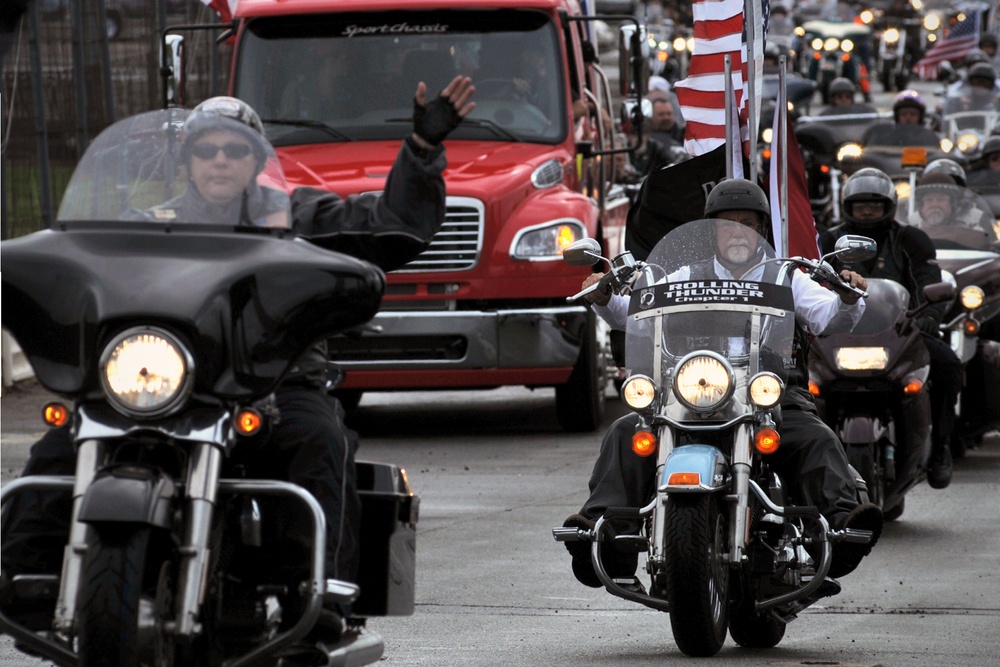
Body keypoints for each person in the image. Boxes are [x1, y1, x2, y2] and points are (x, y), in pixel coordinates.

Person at [1, 78, 477, 629]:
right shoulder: (147, 226)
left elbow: (390, 228)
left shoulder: (297, 219)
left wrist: (421, 149)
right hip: (166, 384)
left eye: (234, 149)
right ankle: (27, 570)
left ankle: (320, 589)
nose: (219, 160)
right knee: (66, 438)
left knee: (320, 437)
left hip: (274, 383)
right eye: (206, 149)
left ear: (256, 159)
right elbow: (95, 275)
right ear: (187, 160)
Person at [563, 179, 882, 589]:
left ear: (761, 231)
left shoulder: (785, 275)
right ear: (711, 231)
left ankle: (841, 528)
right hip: (691, 392)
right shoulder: (682, 275)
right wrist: (604, 296)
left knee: (815, 437)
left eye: (746, 224)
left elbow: (825, 316)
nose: (737, 233)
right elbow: (633, 311)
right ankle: (602, 536)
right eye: (727, 224)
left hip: (769, 394)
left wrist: (848, 299)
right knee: (627, 432)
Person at [820, 168, 962, 489]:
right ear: (847, 207)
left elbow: (929, 280)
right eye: (860, 206)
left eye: (874, 205)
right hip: (839, 332)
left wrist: (928, 315)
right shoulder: (829, 240)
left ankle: (940, 448)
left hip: (902, 332)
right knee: (796, 375)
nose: (868, 212)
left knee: (949, 366)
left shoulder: (911, 239)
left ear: (889, 206)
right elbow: (811, 279)